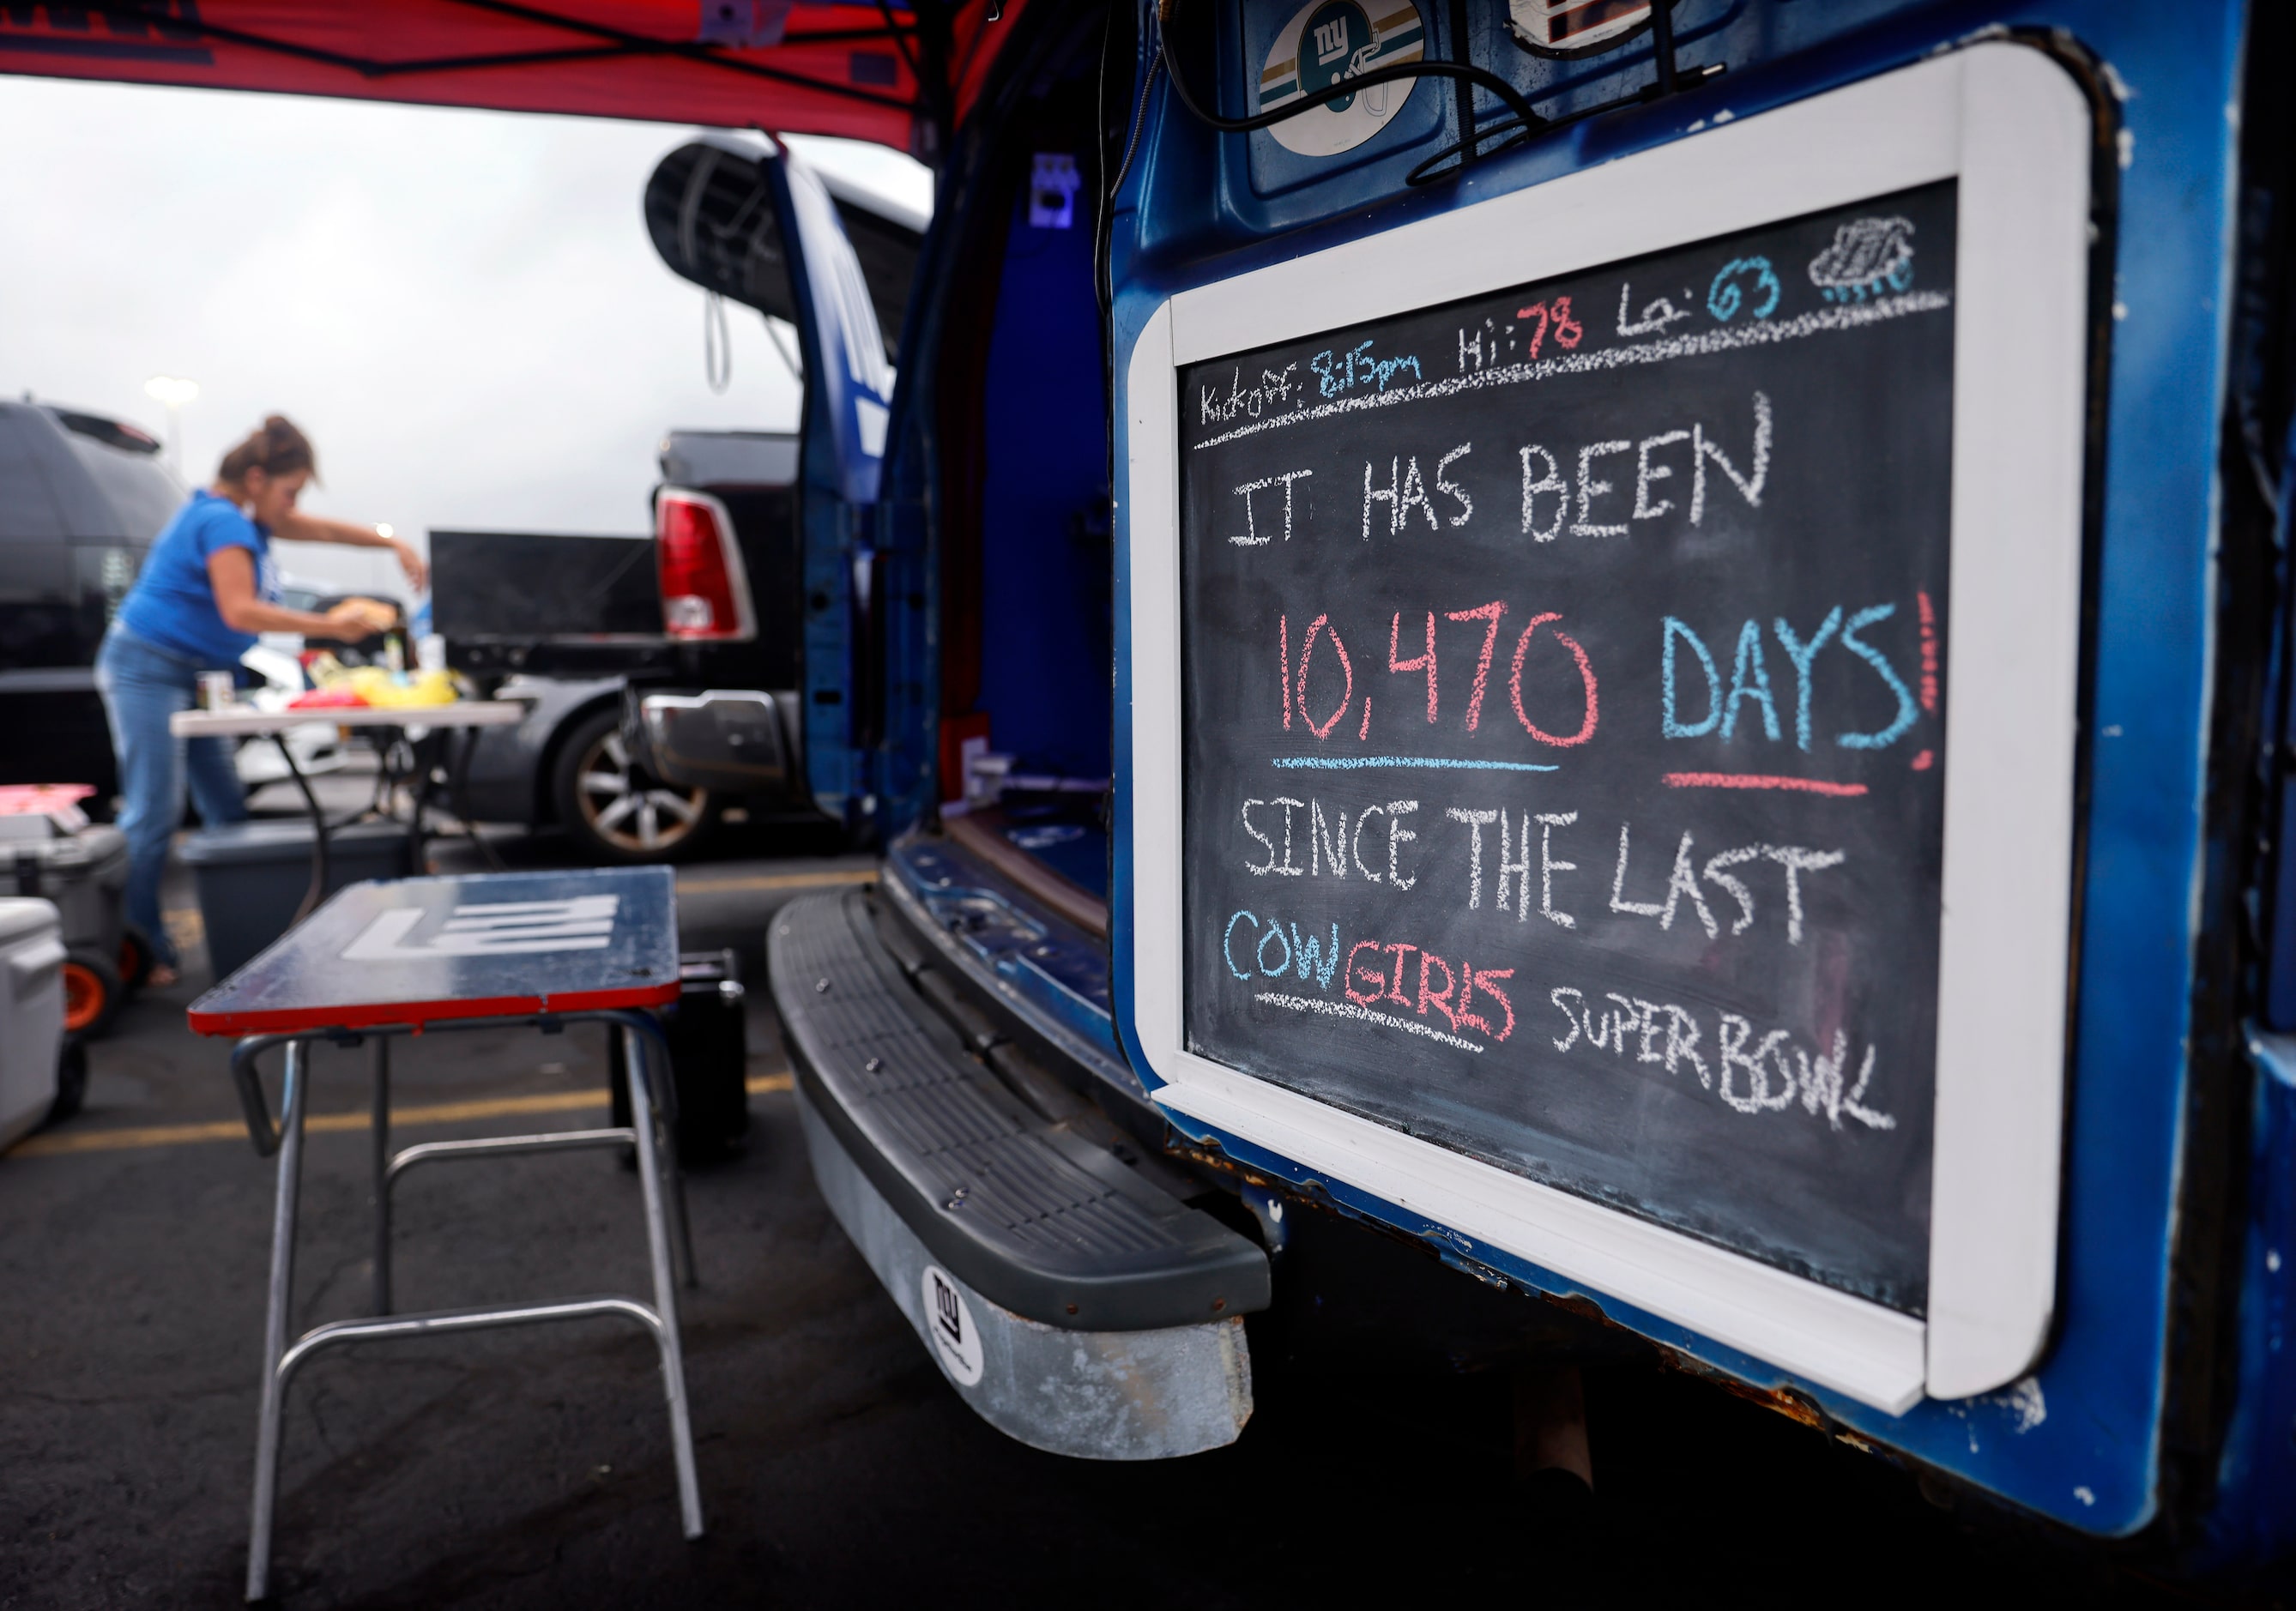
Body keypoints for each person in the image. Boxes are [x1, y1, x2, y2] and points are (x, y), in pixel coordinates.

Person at [95, 414, 426, 987]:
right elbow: (240, 611)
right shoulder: (223, 521)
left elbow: (318, 530)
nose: (293, 505)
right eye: (289, 490)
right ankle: (137, 944)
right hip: (147, 668)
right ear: (255, 479)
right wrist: (330, 623)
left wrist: (389, 540)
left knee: (225, 804)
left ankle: (242, 922)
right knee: (153, 811)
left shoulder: (242, 516)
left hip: (196, 674)